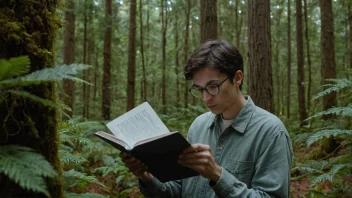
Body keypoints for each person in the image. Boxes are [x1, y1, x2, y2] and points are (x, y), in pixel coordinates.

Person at [120, 39, 293, 197]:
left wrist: (217, 175)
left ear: (237, 78)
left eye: (213, 86)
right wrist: (147, 177)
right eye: (200, 89)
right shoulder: (199, 126)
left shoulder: (271, 132)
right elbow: (178, 191)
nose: (206, 97)